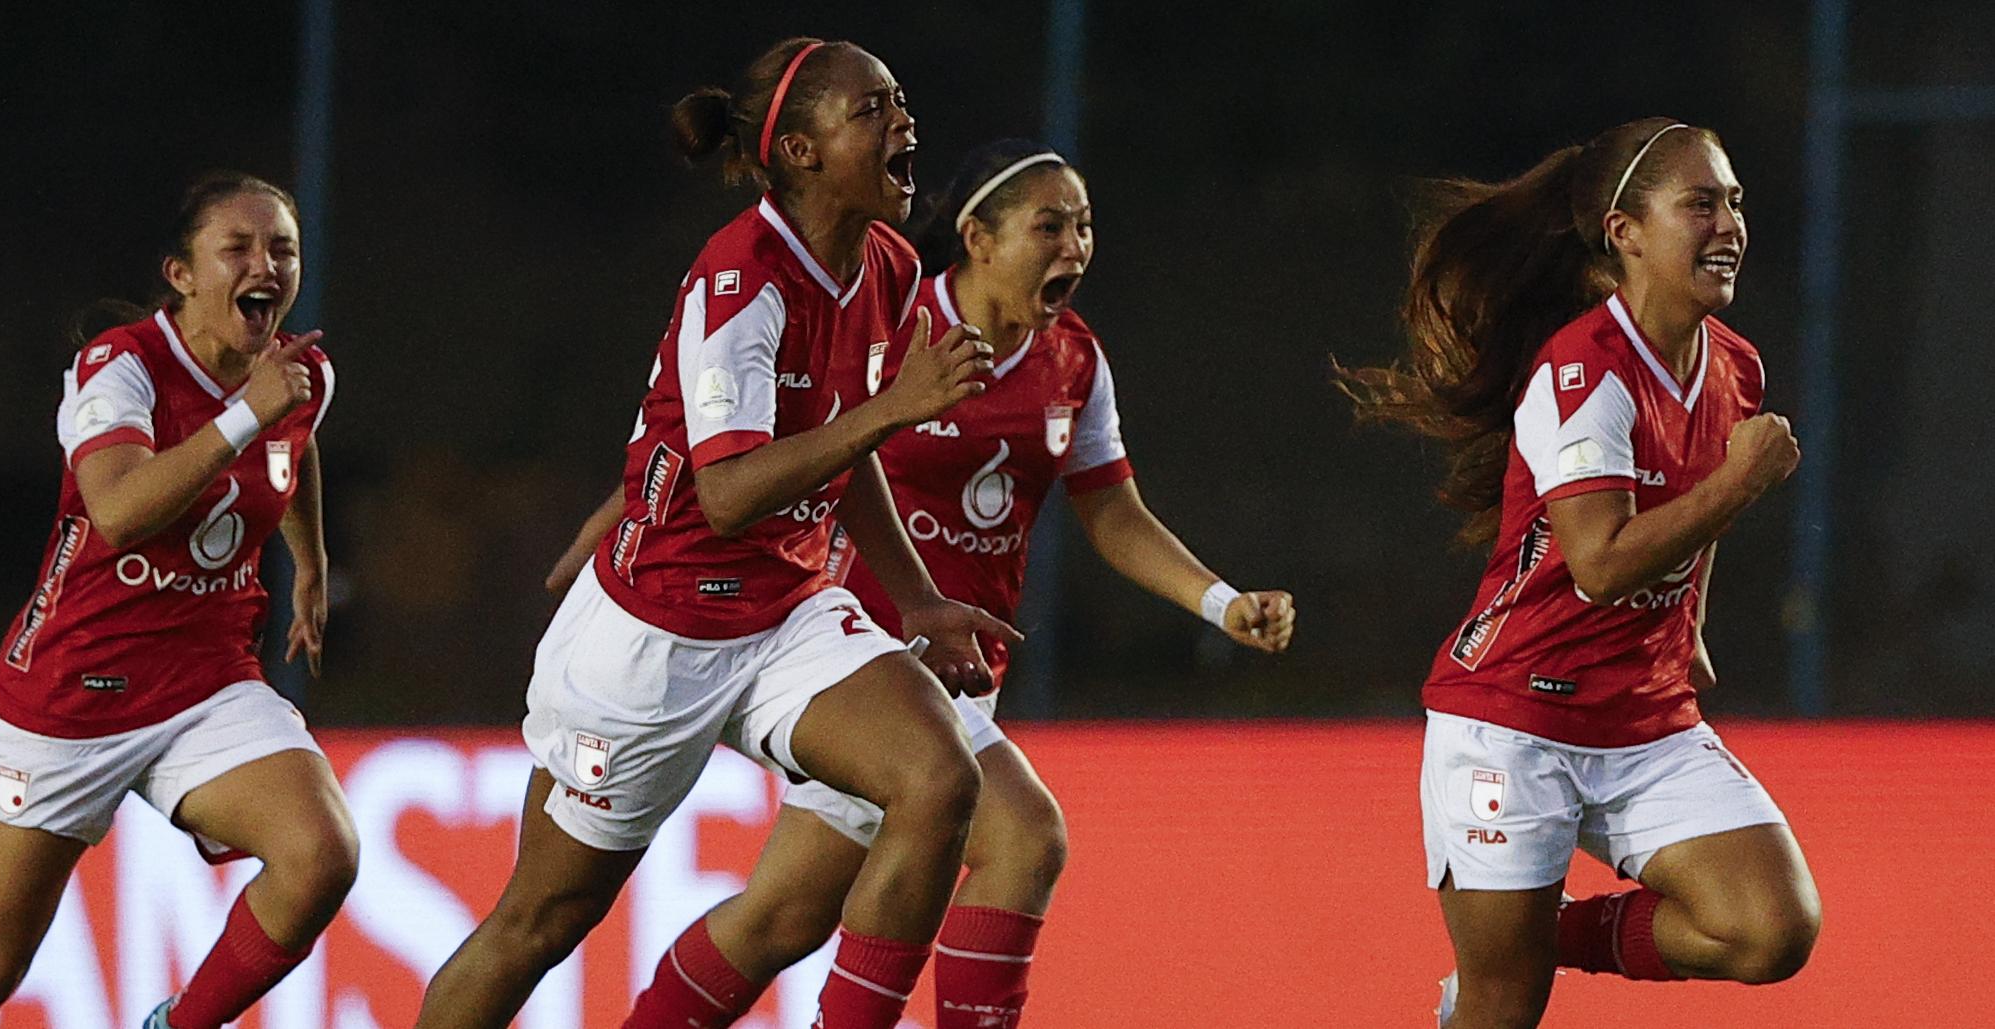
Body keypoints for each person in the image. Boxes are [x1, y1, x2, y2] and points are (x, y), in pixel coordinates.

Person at [576, 139, 1297, 1029]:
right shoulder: (898, 324)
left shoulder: (1072, 360)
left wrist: (1220, 601)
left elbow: (1112, 513)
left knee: (782, 917)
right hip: (857, 658)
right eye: (1048, 225)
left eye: (1083, 225)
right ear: (978, 237)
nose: (1074, 244)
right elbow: (758, 438)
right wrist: (626, 517)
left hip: (962, 670)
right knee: (1025, 837)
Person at [413, 38, 1018, 1029]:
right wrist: (895, 408)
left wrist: (914, 595)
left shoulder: (891, 264)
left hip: (783, 615)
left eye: (901, 102)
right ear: (802, 149)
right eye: (872, 109)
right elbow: (730, 491)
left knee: (938, 779)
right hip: (653, 638)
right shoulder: (743, 280)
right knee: (540, 922)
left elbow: (839, 445)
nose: (904, 123)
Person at [1337, 118, 1821, 1028]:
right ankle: (1511, 949)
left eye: (1734, 202)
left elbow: (1690, 525)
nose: (1728, 223)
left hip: (1640, 716)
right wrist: (1739, 481)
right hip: (1512, 717)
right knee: (1502, 1006)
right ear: (1623, 232)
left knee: (1772, 927)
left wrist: (1692, 630)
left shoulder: (1736, 368)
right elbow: (1597, 565)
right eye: (1700, 203)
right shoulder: (1579, 374)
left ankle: (1537, 931)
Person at [0, 173, 356, 1029]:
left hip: (203, 679)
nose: (267, 264)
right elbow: (117, 511)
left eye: (282, 248)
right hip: (70, 695)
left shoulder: (298, 375)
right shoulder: (121, 367)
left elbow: (298, 442)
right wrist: (242, 420)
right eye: (239, 248)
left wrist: (313, 563)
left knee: (320, 854)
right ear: (181, 274)